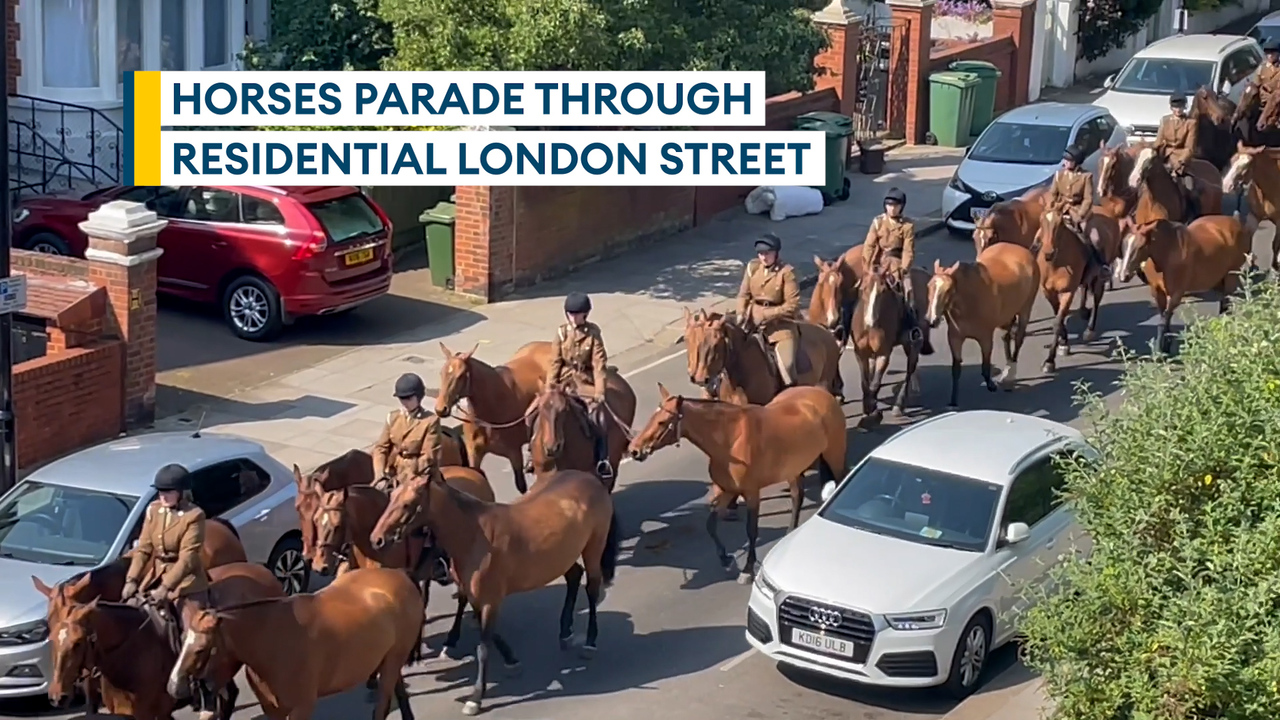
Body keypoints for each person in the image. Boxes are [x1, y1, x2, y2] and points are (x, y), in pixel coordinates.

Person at [122, 464, 213, 710]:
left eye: (168, 491)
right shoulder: (153, 511)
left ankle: (204, 691)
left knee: (191, 636)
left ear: (182, 492)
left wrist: (166, 587)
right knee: (126, 618)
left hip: (186, 583)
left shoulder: (195, 516)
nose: (162, 496)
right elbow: (144, 549)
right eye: (160, 491)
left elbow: (188, 558)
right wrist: (131, 580)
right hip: (153, 577)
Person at [549, 291, 613, 480]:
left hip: (584, 382)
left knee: (598, 418)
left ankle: (602, 459)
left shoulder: (593, 334)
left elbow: (599, 364)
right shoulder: (561, 333)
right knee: (535, 412)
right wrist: (549, 387)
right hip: (563, 381)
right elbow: (554, 362)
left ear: (585, 314)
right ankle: (532, 454)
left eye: (577, 314)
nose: (573, 318)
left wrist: (600, 391)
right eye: (570, 314)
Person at [736, 233, 802, 387]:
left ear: (776, 254)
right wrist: (741, 313)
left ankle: (791, 394)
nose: (764, 258)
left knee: (787, 365)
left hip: (780, 327)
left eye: (767, 254)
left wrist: (765, 314)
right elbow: (743, 294)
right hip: (751, 323)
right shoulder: (752, 268)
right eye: (761, 254)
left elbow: (792, 305)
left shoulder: (786, 273)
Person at [862, 188, 921, 341]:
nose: (892, 208)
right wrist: (867, 266)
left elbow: (908, 249)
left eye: (896, 205)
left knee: (908, 292)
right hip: (878, 261)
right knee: (859, 288)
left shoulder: (907, 226)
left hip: (897, 262)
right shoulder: (878, 222)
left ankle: (912, 327)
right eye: (889, 205)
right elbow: (869, 245)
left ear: (902, 207)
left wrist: (904, 269)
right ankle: (846, 325)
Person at [372, 373, 443, 491]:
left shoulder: (430, 421)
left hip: (420, 474)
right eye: (401, 398)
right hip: (394, 472)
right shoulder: (393, 417)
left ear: (418, 397)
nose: (404, 402)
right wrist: (379, 474)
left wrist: (406, 474)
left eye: (408, 398)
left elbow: (429, 456)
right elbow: (381, 448)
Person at [1154, 92, 1200, 218]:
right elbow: (1158, 142)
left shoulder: (1191, 123)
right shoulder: (1165, 121)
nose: (1178, 110)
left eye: (1180, 107)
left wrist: (1180, 163)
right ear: (1171, 108)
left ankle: (1192, 215)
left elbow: (1190, 147)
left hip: (1182, 159)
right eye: (1175, 107)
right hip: (1165, 157)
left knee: (1190, 189)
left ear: (1184, 107)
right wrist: (1151, 153)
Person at [1045, 145, 1095, 231]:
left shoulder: (1085, 176)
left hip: (1076, 209)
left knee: (1086, 230)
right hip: (1060, 208)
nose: (1066, 162)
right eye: (1065, 160)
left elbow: (1088, 199)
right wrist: (1052, 206)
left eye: (1069, 160)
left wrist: (1081, 214)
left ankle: (1087, 243)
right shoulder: (1058, 175)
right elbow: (1052, 193)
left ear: (1076, 162)